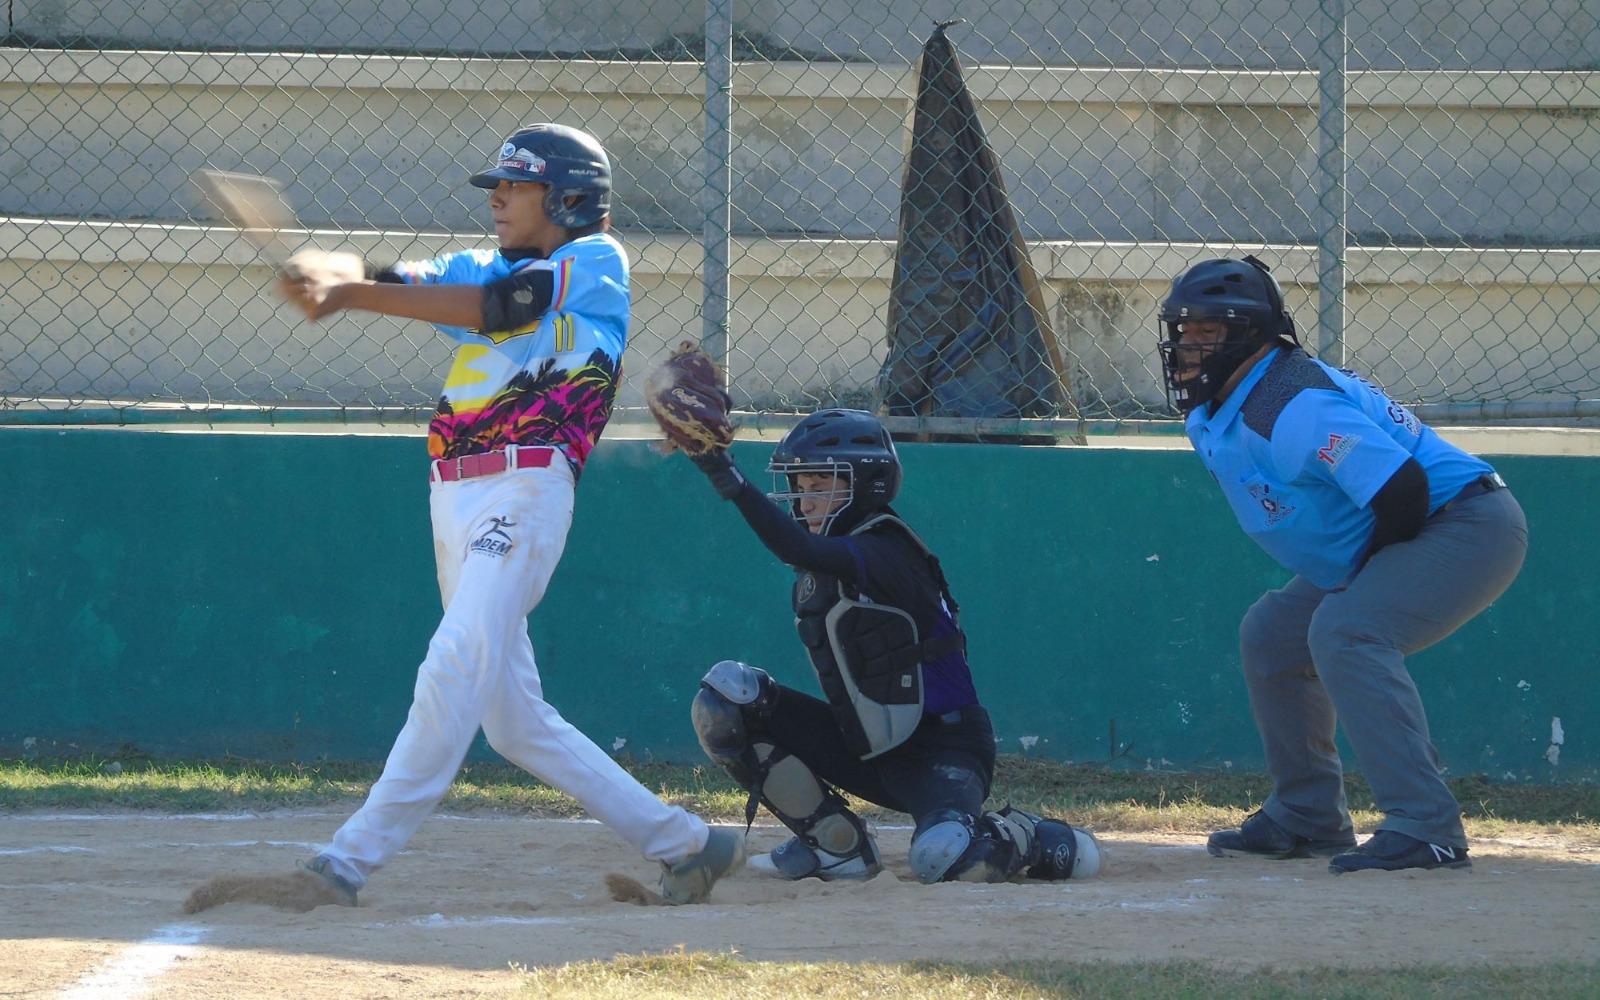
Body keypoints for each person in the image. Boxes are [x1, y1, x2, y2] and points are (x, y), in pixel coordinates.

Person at [247, 123, 742, 907]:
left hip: (527, 487)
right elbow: (402, 274)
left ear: (570, 197)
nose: (499, 199)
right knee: (513, 722)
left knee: (453, 659)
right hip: (453, 494)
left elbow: (499, 309)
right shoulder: (482, 261)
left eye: (516, 186)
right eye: (499, 187)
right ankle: (688, 843)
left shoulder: (594, 263)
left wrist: (352, 293)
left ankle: (348, 862)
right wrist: (337, 269)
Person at [1156, 255, 1528, 874]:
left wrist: (1359, 583)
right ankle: (1307, 816)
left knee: (1347, 629)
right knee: (1274, 635)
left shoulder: (1288, 402)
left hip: (1465, 524)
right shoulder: (1219, 405)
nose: (1188, 346)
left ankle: (1426, 826)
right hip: (1407, 527)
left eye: (1206, 331)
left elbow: (1402, 490)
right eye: (1184, 331)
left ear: (1249, 335)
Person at [677, 408, 1100, 884]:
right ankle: (836, 846)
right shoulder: (840, 555)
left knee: (940, 858)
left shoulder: (883, 549)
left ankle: (1030, 835)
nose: (805, 502)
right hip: (869, 747)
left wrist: (726, 473)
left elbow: (796, 548)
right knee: (727, 698)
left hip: (945, 749)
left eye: (820, 488)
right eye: (801, 488)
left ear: (866, 484)